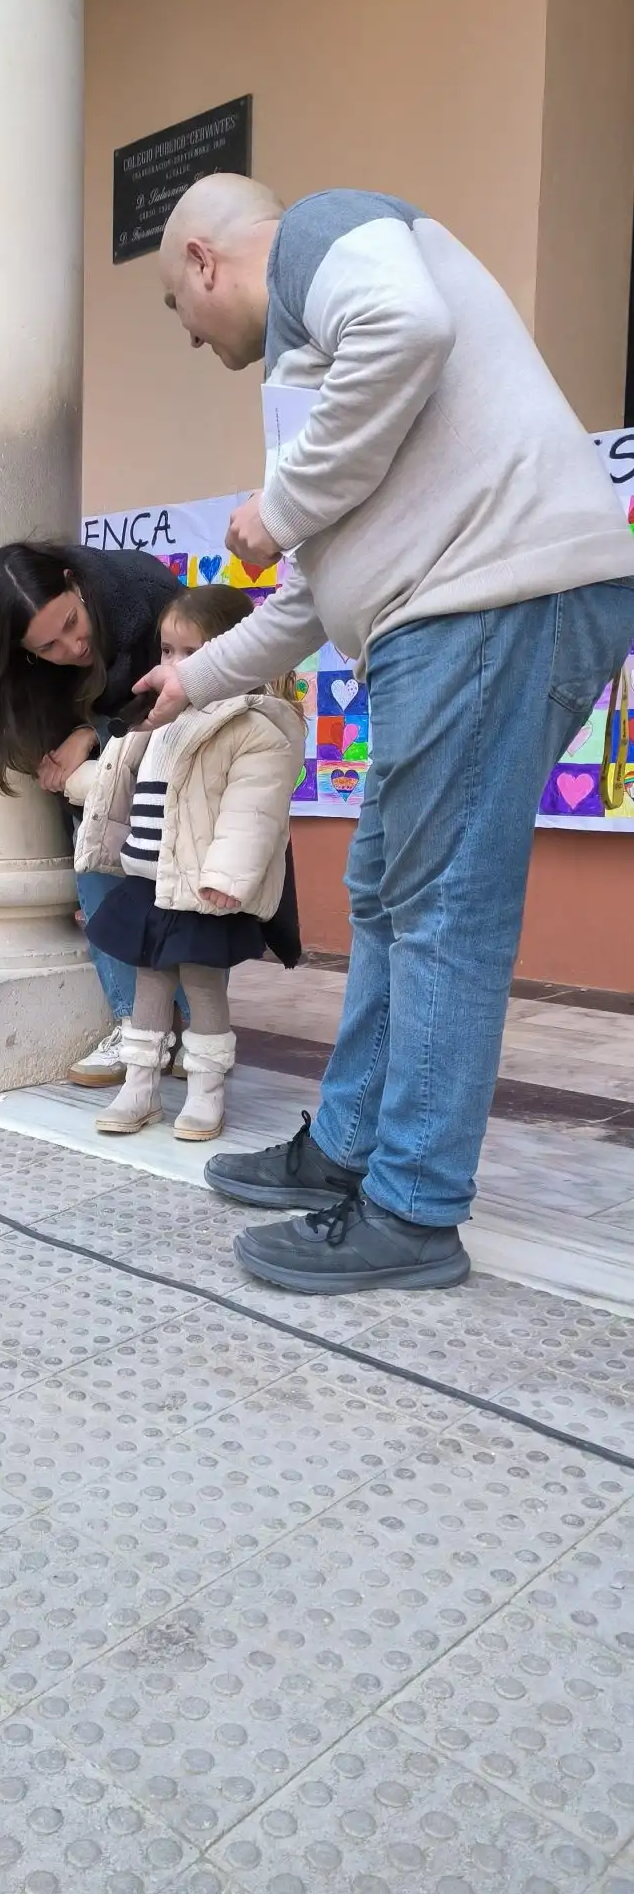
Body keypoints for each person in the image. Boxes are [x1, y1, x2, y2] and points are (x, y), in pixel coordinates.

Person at [139, 172, 634, 1294]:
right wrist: (192, 679)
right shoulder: (323, 369)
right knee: (385, 890)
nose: (190, 336)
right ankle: (349, 1145)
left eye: (178, 307)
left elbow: (407, 328)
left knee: (441, 906)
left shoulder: (323, 232)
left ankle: (410, 1207)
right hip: (458, 613)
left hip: (487, 603)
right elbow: (313, 594)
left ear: (204, 260)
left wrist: (278, 507)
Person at [68, 585, 303, 1141]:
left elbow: (252, 813)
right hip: (149, 880)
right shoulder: (159, 720)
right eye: (167, 650)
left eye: (191, 653)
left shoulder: (252, 728)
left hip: (201, 889)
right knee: (149, 982)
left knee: (202, 985)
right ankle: (140, 1084)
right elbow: (118, 779)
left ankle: (206, 1089)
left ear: (233, 655)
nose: (173, 665)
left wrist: (226, 878)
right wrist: (74, 781)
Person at [0, 539, 181, 1085]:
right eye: (49, 646)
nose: (73, 645)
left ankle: (193, 1028)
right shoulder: (29, 672)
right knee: (97, 869)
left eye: (71, 622)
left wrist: (94, 731)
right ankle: (134, 1025)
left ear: (73, 580)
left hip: (180, 753)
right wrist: (76, 743)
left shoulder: (145, 592)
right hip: (103, 773)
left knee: (180, 890)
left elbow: (190, 693)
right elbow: (38, 724)